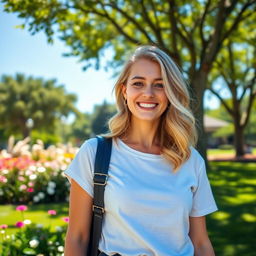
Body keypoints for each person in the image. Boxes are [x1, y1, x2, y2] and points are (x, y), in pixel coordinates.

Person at [64, 45, 218, 256]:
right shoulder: (94, 153)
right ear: (124, 91)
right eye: (138, 83)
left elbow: (200, 243)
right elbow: (77, 238)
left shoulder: (191, 160)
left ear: (171, 92)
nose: (148, 93)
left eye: (159, 85)